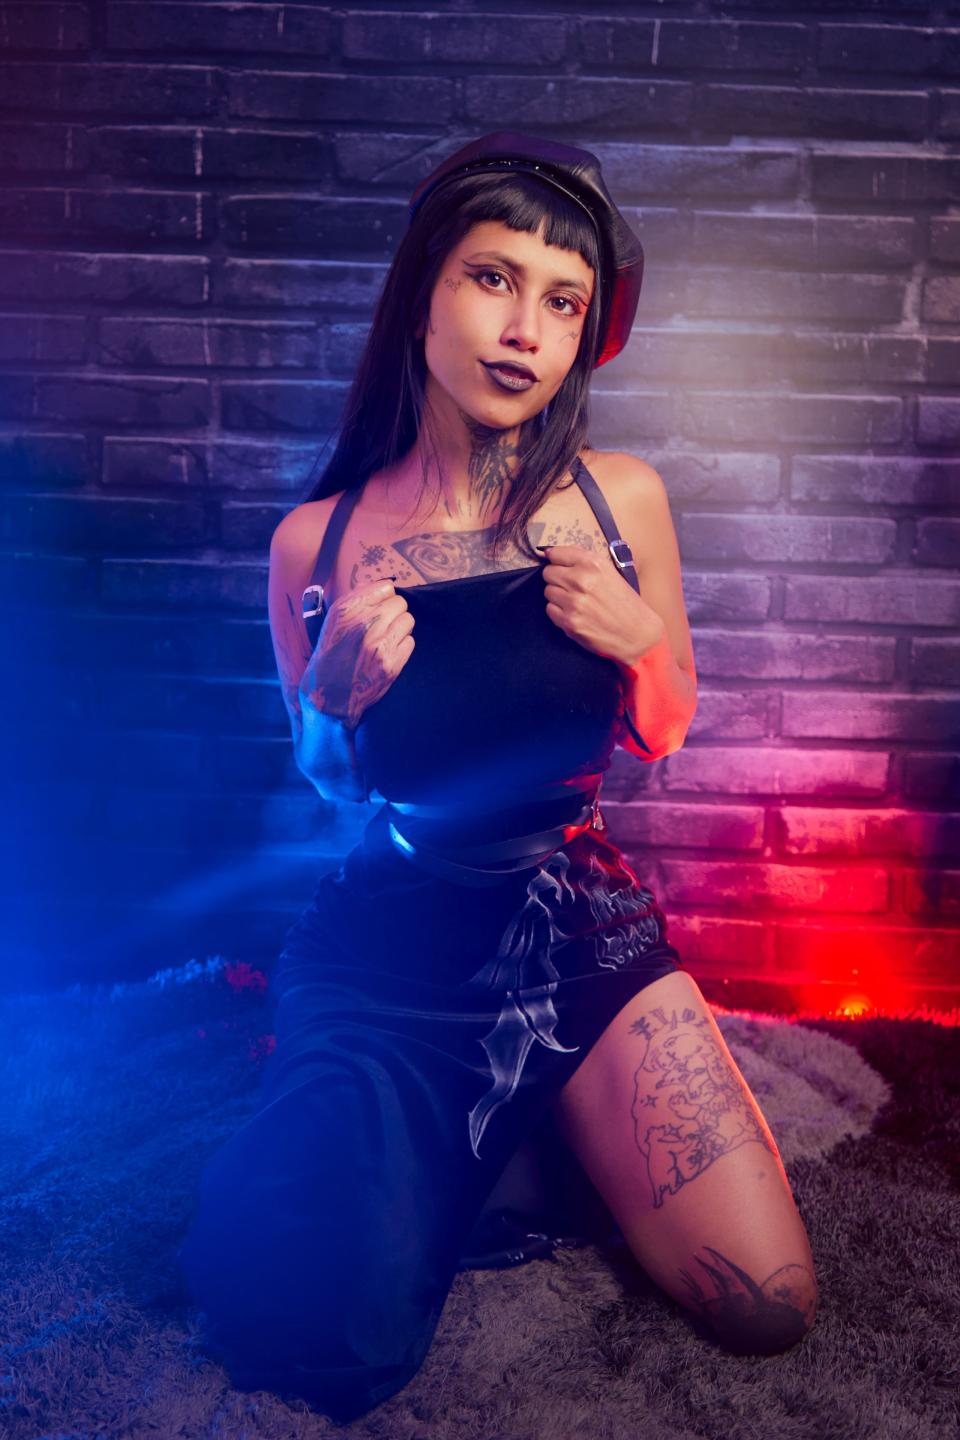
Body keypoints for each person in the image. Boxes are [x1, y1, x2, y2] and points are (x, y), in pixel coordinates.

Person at [176, 132, 818, 1423]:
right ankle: (485, 1146)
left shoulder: (619, 500)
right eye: (492, 279)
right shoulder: (318, 542)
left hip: (576, 923)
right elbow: (334, 787)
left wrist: (637, 638)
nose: (526, 330)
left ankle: (520, 1128)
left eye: (564, 302)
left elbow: (663, 727)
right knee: (303, 1324)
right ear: (423, 293)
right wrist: (332, 696)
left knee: (767, 1297)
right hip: (392, 945)